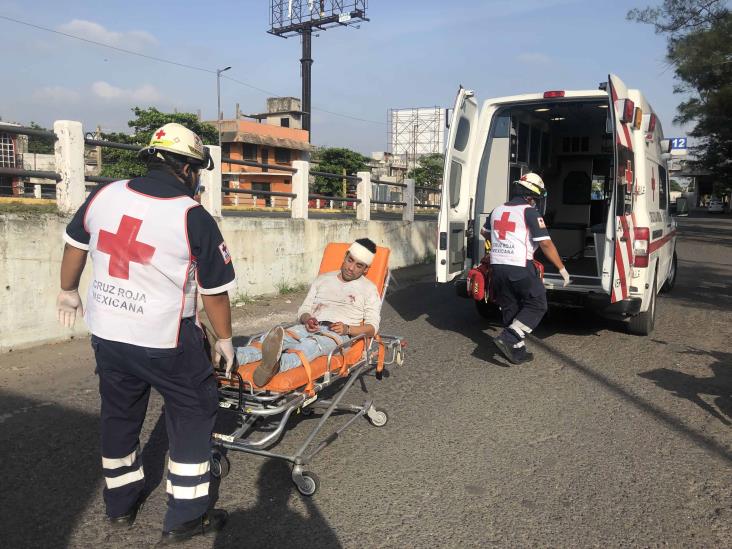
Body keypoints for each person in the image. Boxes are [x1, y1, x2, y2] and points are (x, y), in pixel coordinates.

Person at [56, 123, 235, 544]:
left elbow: (74, 245)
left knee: (119, 414)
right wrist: (224, 339)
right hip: (165, 340)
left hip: (108, 334)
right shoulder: (192, 216)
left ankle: (120, 504)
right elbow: (214, 290)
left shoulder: (106, 194)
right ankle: (186, 516)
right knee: (194, 409)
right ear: (189, 169)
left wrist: (67, 291)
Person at [235, 238, 382, 386]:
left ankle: (276, 366)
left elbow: (372, 328)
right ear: (345, 256)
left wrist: (347, 329)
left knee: (310, 345)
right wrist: (307, 319)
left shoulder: (369, 289)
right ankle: (233, 357)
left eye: (359, 266)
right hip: (308, 326)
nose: (351, 268)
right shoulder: (323, 279)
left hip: (338, 334)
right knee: (272, 339)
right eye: (350, 260)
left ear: (366, 269)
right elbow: (304, 310)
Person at [479, 173, 570, 365]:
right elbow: (545, 244)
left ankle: (517, 351)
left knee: (511, 307)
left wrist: (500, 244)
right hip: (519, 266)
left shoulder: (497, 209)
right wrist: (561, 268)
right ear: (531, 196)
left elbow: (485, 232)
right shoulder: (529, 212)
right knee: (537, 304)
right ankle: (509, 337)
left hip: (497, 266)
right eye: (535, 198)